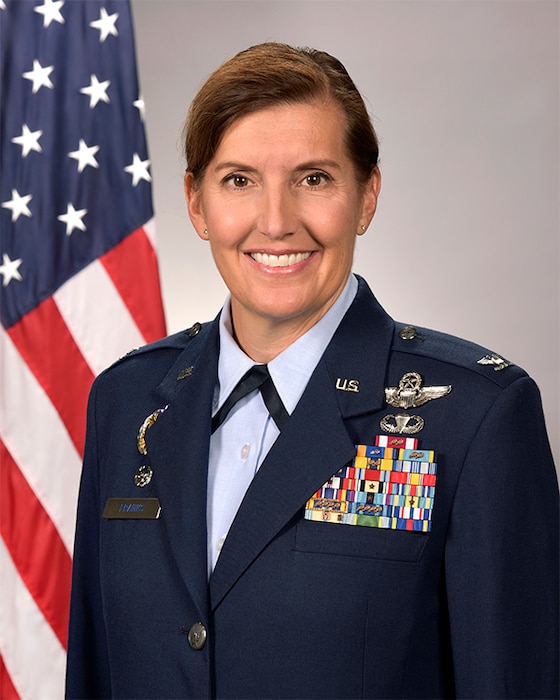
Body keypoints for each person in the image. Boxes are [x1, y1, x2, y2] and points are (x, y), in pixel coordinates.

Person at [65, 42, 559, 699]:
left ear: (366, 195)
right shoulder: (127, 403)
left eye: (313, 179)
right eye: (239, 180)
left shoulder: (475, 417)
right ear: (196, 203)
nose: (276, 222)